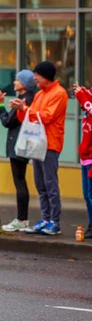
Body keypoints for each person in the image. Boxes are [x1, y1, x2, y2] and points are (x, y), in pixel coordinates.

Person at [9, 61, 68, 236]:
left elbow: (47, 117)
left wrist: (24, 109)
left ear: (46, 76)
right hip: (37, 144)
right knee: (40, 184)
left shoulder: (59, 93)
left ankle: (54, 222)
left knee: (50, 185)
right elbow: (28, 116)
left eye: (37, 75)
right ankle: (45, 218)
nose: (34, 78)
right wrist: (20, 109)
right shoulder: (41, 94)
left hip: (50, 144)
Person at [0, 70, 36, 232]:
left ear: (25, 84)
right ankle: (22, 218)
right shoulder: (28, 98)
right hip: (22, 143)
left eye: (17, 80)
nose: (14, 82)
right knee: (21, 181)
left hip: (19, 145)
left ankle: (22, 218)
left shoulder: (24, 100)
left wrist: (0, 105)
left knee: (20, 182)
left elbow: (7, 121)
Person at [73, 82, 92, 239]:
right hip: (85, 156)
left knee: (91, 195)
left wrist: (81, 95)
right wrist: (85, 92)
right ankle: (91, 224)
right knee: (86, 195)